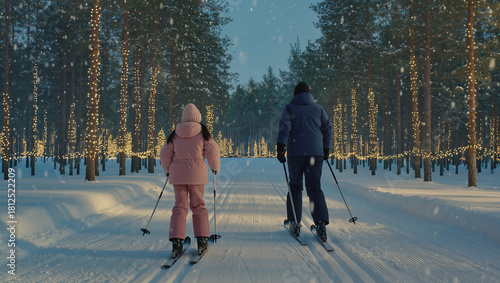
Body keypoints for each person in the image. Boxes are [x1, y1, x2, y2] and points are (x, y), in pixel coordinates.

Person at [160, 103, 220, 257]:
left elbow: (165, 152)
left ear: (183, 117)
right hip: (196, 175)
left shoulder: (175, 134)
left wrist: (167, 169)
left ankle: (177, 242)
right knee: (198, 206)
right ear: (198, 117)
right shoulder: (203, 132)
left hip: (178, 176)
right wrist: (214, 167)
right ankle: (201, 240)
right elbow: (212, 151)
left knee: (179, 207)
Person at [276, 81, 333, 241]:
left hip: (296, 154)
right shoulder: (318, 109)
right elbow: (328, 129)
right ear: (309, 94)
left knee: (295, 187)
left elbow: (284, 128)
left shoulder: (290, 108)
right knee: (315, 188)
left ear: (295, 95)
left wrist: (280, 146)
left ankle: (294, 221)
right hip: (316, 154)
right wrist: (326, 148)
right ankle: (321, 223)